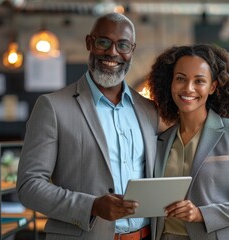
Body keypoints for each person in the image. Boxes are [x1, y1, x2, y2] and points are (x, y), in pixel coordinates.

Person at [16, 12, 163, 240]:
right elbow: (29, 186)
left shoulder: (149, 109)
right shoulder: (53, 107)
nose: (112, 52)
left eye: (122, 45)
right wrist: (92, 206)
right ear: (89, 43)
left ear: (132, 50)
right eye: (104, 42)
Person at [146, 44, 229, 240]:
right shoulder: (161, 139)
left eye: (199, 81)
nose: (188, 88)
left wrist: (201, 214)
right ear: (170, 83)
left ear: (212, 87)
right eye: (180, 79)